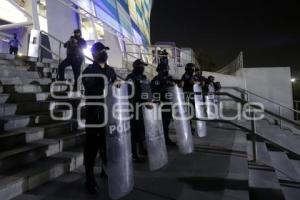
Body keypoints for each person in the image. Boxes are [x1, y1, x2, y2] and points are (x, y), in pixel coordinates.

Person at [82, 42, 117, 194]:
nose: (104, 52)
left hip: (109, 114)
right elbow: (91, 89)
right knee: (91, 148)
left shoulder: (111, 71)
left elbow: (115, 89)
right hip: (94, 115)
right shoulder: (89, 70)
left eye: (105, 50)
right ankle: (89, 178)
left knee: (107, 145)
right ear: (94, 54)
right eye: (101, 50)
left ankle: (105, 169)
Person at [126, 59, 151, 162]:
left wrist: (150, 100)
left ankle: (142, 149)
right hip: (134, 107)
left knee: (142, 130)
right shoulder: (130, 78)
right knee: (134, 131)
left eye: (143, 66)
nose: (142, 68)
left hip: (143, 107)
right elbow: (128, 94)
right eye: (141, 66)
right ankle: (133, 153)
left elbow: (148, 90)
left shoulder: (144, 77)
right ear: (136, 66)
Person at [151, 62, 176, 145]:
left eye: (167, 69)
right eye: (165, 69)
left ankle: (166, 138)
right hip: (161, 105)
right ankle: (161, 139)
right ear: (161, 70)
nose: (167, 71)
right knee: (161, 123)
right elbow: (154, 92)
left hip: (168, 104)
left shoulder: (167, 79)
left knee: (166, 123)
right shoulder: (157, 79)